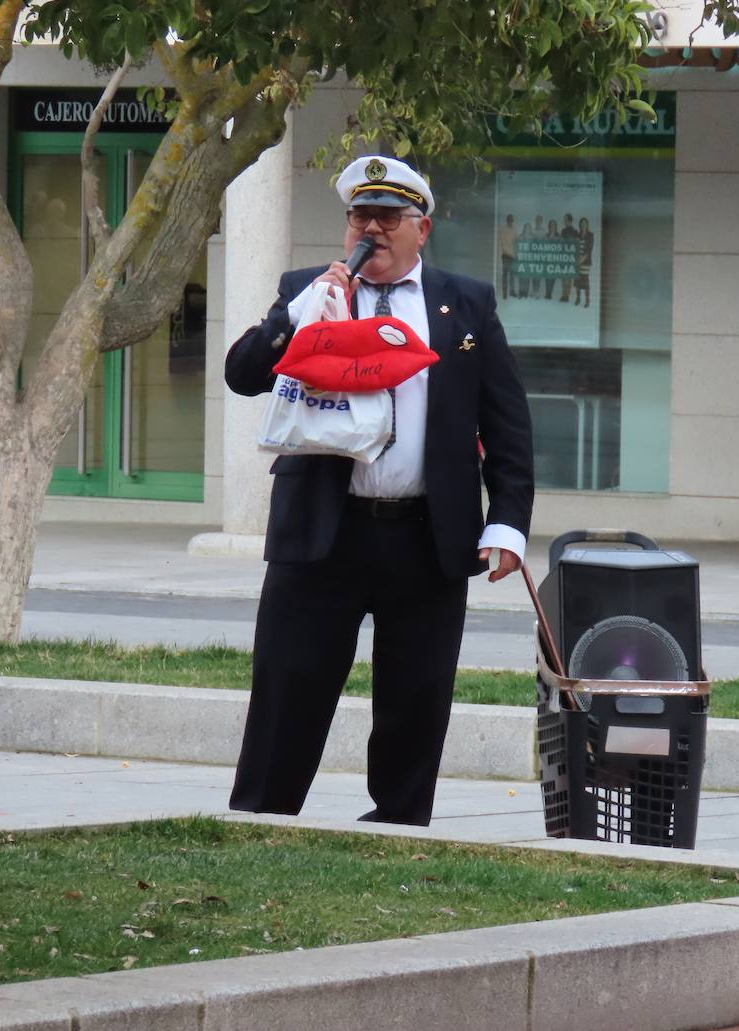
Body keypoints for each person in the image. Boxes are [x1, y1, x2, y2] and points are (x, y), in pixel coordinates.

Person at [223, 155, 534, 826]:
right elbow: (242, 374)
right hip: (322, 530)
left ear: (422, 228)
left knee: (415, 697)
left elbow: (506, 422)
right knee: (289, 687)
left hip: (425, 534)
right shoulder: (310, 290)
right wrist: (297, 316)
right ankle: (260, 818)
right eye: (360, 217)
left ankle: (397, 824)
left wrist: (506, 523)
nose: (372, 229)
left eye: (388, 218)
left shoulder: (465, 304)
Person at [498, 214, 519, 300]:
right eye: (509, 219)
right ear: (507, 220)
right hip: (506, 255)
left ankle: (512, 291)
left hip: (513, 256)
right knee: (505, 274)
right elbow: (503, 243)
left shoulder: (515, 229)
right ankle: (504, 292)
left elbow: (516, 241)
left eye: (512, 219)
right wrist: (509, 253)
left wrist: (515, 254)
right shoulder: (503, 229)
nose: (511, 221)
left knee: (512, 274)